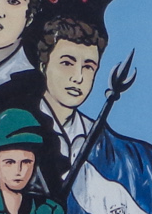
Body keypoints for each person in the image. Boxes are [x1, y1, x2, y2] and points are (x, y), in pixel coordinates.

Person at [33, 16, 105, 194]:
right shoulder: (21, 124)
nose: (78, 77)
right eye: (67, 63)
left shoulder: (101, 139)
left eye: (88, 67)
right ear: (43, 65)